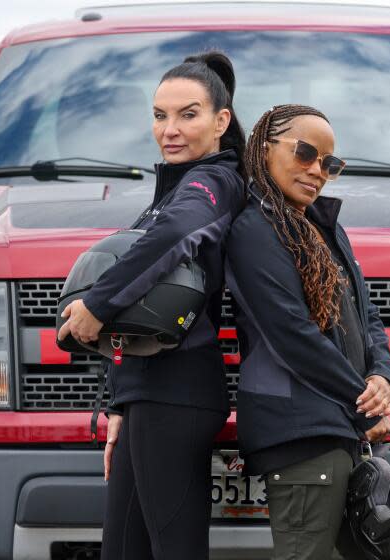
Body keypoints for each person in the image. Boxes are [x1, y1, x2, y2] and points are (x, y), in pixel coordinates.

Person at [57, 51, 246, 559]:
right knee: (122, 550)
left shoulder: (214, 181)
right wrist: (122, 403)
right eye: (160, 115)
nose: (171, 129)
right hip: (148, 395)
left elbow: (176, 234)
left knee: (172, 550)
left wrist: (98, 304)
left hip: (178, 397)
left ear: (220, 121)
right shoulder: (177, 187)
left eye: (189, 114)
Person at [224, 104, 390, 559]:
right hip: (301, 436)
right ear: (264, 149)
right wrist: (364, 403)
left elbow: (367, 315)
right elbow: (291, 335)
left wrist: (383, 377)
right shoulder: (254, 231)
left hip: (339, 429)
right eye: (305, 153)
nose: (318, 170)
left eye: (329, 162)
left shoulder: (323, 228)